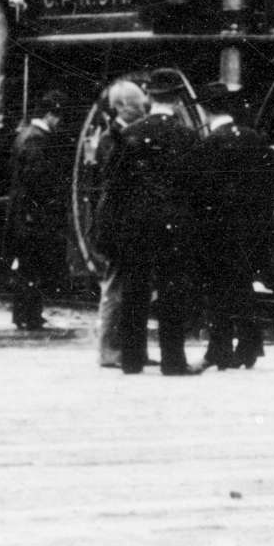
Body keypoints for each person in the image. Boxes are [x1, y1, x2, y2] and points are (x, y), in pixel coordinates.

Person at [95, 82, 197, 375]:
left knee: (134, 290)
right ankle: (173, 362)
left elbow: (114, 184)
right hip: (173, 223)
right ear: (177, 101)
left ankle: (131, 359)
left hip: (136, 224)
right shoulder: (186, 136)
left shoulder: (129, 134)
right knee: (171, 291)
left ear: (150, 98)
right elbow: (196, 186)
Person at [190, 85, 274, 370]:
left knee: (218, 291)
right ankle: (249, 348)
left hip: (219, 230)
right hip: (252, 228)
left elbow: (201, 191)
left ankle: (220, 350)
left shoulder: (209, 144)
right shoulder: (253, 138)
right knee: (243, 286)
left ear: (206, 110)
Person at [6, 92, 75, 334]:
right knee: (31, 264)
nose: (59, 123)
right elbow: (37, 178)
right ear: (49, 115)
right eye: (57, 117)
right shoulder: (37, 139)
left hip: (26, 211)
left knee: (28, 265)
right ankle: (28, 316)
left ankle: (26, 314)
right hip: (33, 213)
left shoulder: (27, 135)